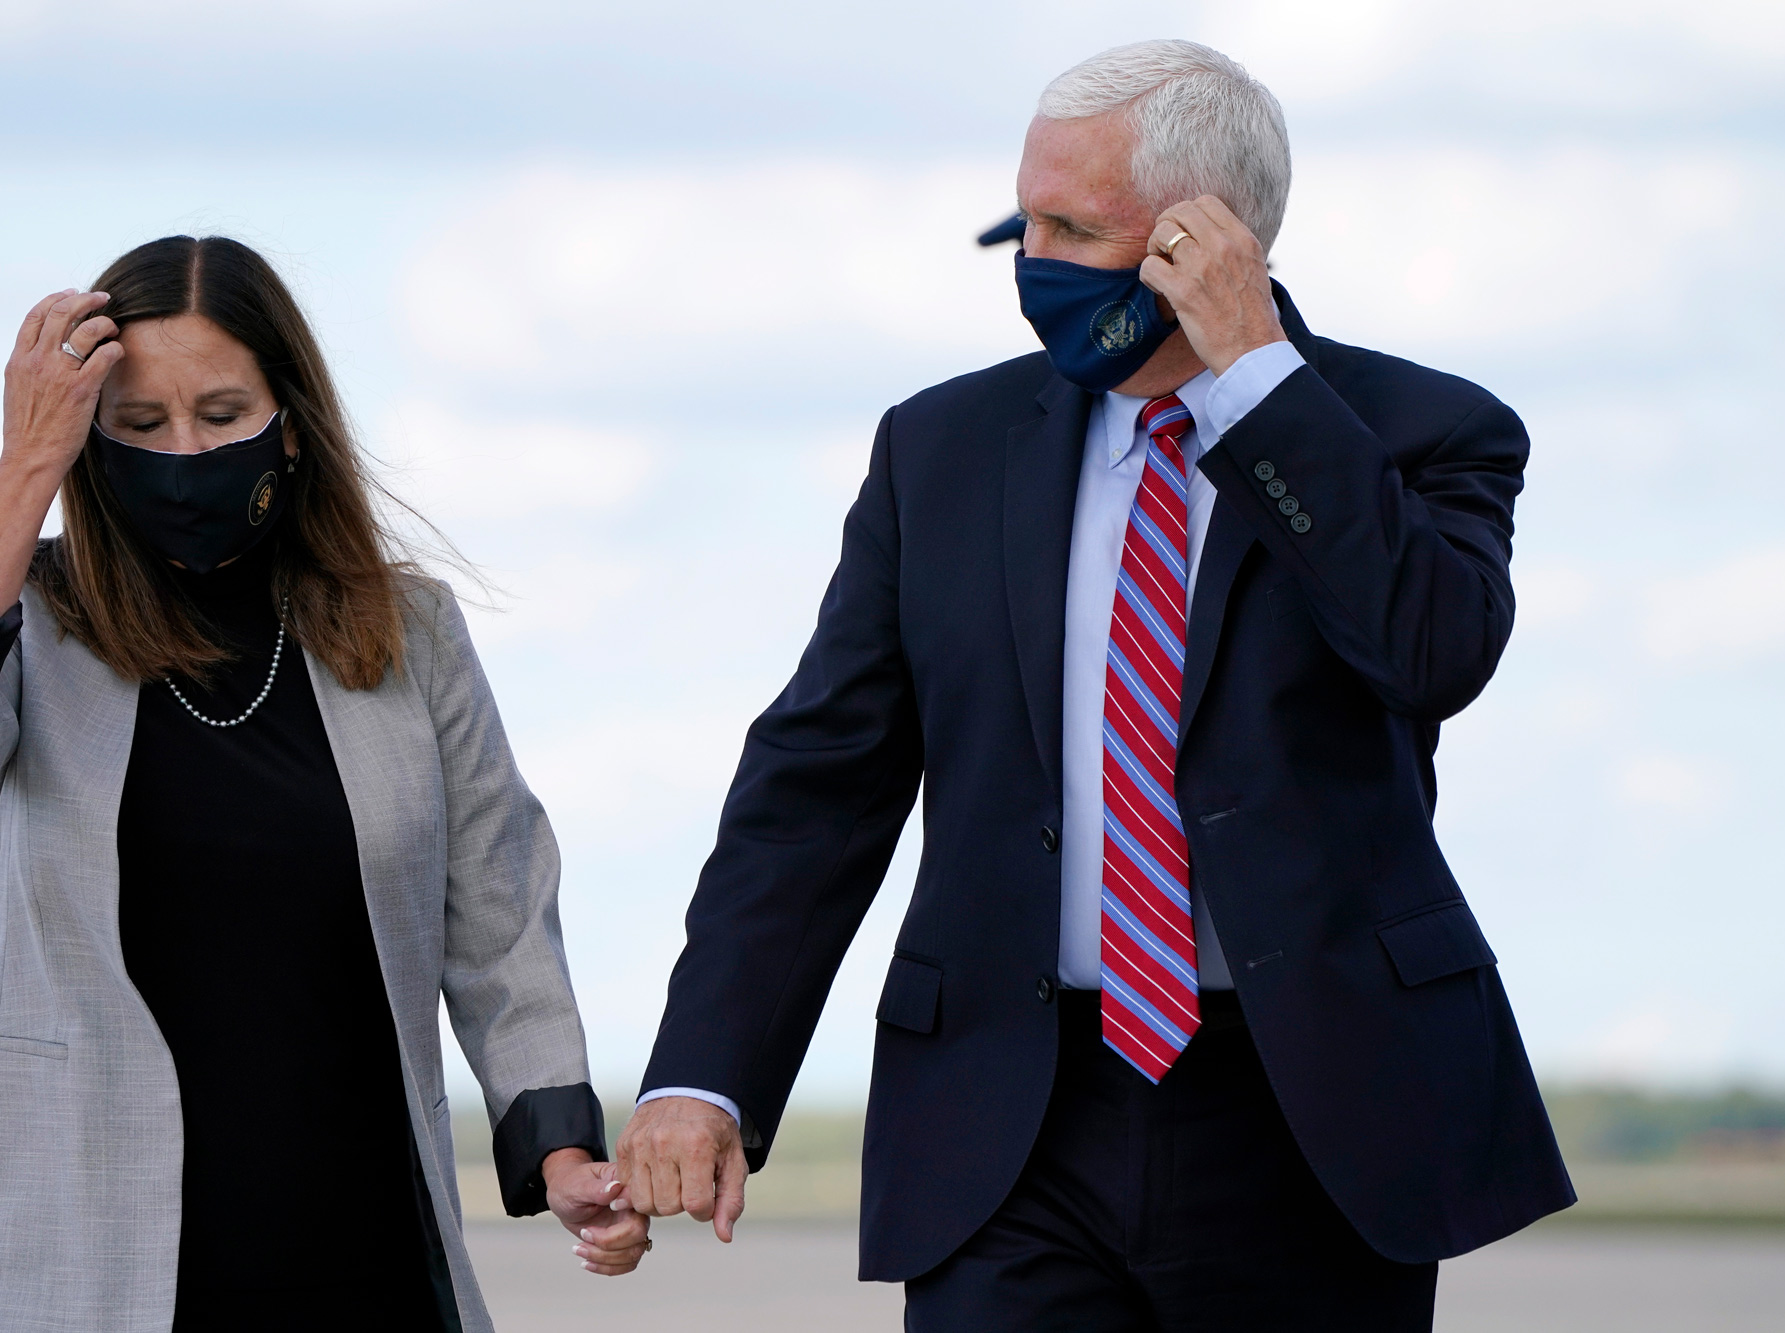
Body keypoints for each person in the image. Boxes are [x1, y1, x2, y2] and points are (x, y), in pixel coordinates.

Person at [612, 39, 1574, 1330]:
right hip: (1008, 1119)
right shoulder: (940, 450)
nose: (1034, 263)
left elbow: (1430, 652)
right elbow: (817, 783)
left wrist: (1258, 380)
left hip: (1313, 1115)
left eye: (1076, 228)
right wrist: (706, 1077)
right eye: (1027, 223)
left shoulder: (1421, 432)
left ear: (1206, 238)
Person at [0, 236, 649, 1333]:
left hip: (359, 1250)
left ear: (291, 416)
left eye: (222, 415)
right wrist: (25, 461)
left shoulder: (407, 629)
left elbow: (499, 905)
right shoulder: (30, 617)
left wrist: (555, 1142)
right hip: (94, 1259)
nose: (184, 451)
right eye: (139, 425)